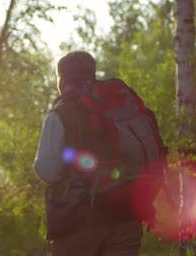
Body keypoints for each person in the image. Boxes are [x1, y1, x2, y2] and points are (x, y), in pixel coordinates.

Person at [34, 51, 143, 256]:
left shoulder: (61, 113)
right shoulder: (117, 108)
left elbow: (49, 171)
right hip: (126, 216)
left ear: (62, 80)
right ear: (92, 76)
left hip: (79, 222)